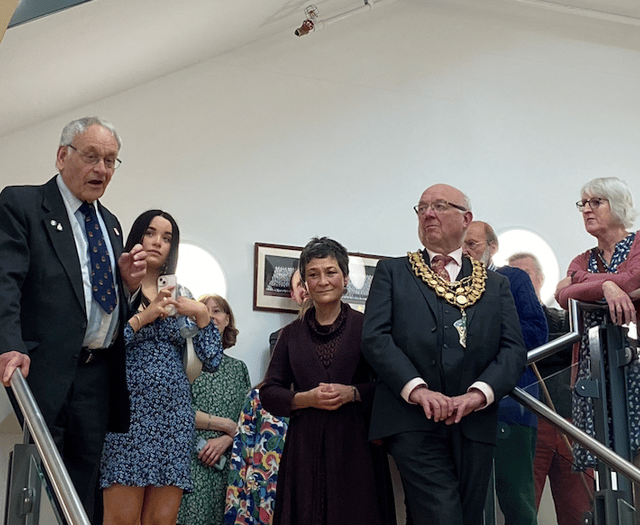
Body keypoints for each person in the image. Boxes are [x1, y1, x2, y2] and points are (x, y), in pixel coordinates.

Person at [0, 116, 147, 519]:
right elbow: (4, 283)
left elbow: (102, 299)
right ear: (62, 156)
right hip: (41, 369)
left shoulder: (112, 224)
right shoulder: (22, 204)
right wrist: (9, 345)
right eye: (92, 156)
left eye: (112, 160)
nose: (101, 169)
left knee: (82, 489)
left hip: (97, 376)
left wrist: (129, 287)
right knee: (37, 485)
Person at [361, 184, 527, 525]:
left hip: (474, 421)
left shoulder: (495, 285)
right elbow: (375, 339)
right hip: (410, 419)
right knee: (442, 514)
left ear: (465, 218)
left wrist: (478, 395)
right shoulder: (392, 272)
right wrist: (418, 390)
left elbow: (513, 350)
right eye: (421, 208)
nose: (428, 213)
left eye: (438, 206)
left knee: (463, 517)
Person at [100, 210, 223, 525]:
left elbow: (213, 360)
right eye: (151, 233)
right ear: (137, 238)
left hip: (173, 418)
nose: (158, 242)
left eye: (167, 238)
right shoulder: (115, 286)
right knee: (121, 519)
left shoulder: (183, 296)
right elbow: (102, 346)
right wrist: (146, 315)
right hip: (127, 416)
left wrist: (202, 315)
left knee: (162, 521)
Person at [260, 237, 385, 525]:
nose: (323, 281)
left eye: (331, 272)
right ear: (305, 283)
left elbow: (388, 387)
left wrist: (352, 393)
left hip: (356, 447)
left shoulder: (368, 329)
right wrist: (305, 399)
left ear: (345, 278)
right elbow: (270, 392)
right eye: (313, 274)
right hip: (305, 449)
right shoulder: (290, 335)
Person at [463, 221, 547, 525]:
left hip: (511, 406)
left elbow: (537, 331)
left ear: (492, 248)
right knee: (467, 501)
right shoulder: (445, 285)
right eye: (460, 244)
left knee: (517, 501)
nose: (465, 251)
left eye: (472, 244)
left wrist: (484, 336)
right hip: (460, 408)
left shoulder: (513, 279)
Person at [555, 176, 640, 472]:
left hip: (633, 366)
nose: (586, 210)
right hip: (593, 375)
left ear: (617, 205)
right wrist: (607, 287)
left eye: (596, 202)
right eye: (583, 203)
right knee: (603, 467)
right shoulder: (583, 258)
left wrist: (582, 281)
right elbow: (563, 295)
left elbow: (632, 279)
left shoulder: (639, 242)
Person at [508, 252, 594, 525]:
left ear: (542, 279)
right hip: (530, 423)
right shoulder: (506, 325)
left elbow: (578, 350)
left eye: (527, 274)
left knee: (579, 509)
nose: (519, 283)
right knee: (524, 505)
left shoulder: (562, 318)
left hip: (571, 424)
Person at [178, 294, 251, 525]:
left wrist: (227, 439)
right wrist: (225, 425)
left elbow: (247, 417)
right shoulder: (183, 361)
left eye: (217, 310)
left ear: (227, 319)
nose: (210, 315)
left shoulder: (239, 369)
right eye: (203, 310)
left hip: (227, 467)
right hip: (189, 462)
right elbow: (176, 411)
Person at [224, 380, 289, 525]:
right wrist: (232, 508)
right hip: (257, 496)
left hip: (297, 495)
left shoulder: (315, 402)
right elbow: (239, 455)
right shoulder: (258, 397)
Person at [269, 268, 309, 352]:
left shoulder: (343, 330)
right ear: (293, 295)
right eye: (301, 284)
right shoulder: (279, 338)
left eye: (311, 281)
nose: (307, 288)